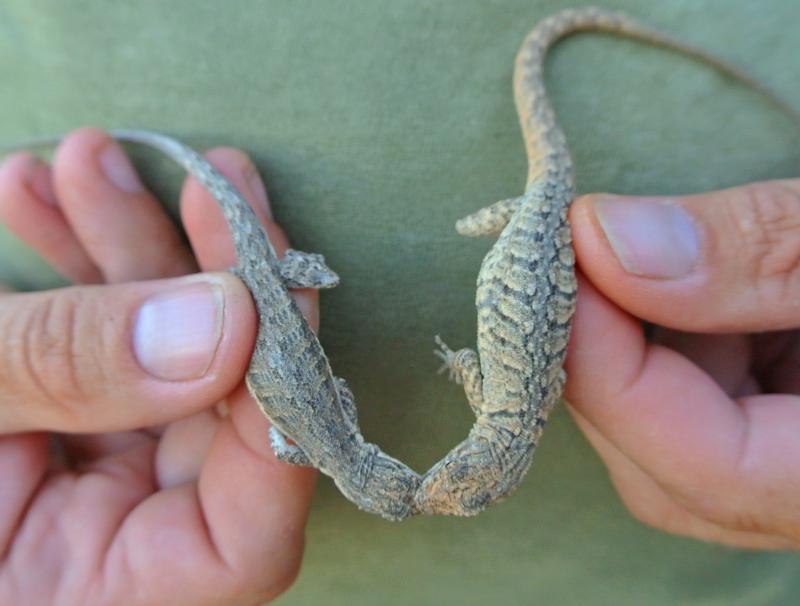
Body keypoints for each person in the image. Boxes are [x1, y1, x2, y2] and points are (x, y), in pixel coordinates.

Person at [0, 127, 797, 604]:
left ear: (373, 464)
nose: (419, 480)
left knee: (249, 251)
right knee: (251, 260)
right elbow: (307, 417)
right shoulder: (315, 443)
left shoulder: (331, 437)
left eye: (402, 485)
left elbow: (323, 408)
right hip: (243, 338)